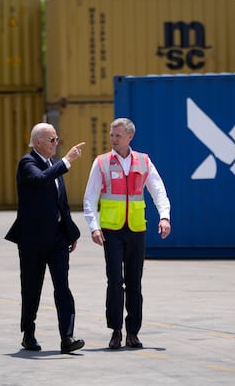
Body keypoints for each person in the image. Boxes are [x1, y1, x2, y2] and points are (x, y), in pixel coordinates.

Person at [83, 117, 171, 349]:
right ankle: (115, 331)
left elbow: (158, 190)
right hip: (110, 231)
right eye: (112, 135)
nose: (113, 139)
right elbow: (90, 197)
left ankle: (133, 331)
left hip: (135, 229)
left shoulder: (143, 161)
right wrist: (94, 227)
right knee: (114, 281)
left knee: (134, 283)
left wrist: (164, 216)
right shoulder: (101, 162)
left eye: (118, 135)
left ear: (130, 137)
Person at [5, 123, 86, 354]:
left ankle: (67, 337)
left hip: (57, 238)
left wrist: (70, 232)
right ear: (38, 142)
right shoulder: (27, 163)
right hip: (32, 240)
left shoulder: (53, 165)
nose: (56, 143)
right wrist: (67, 161)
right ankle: (28, 333)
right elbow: (41, 180)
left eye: (57, 139)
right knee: (31, 288)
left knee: (63, 287)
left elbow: (62, 202)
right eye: (52, 140)